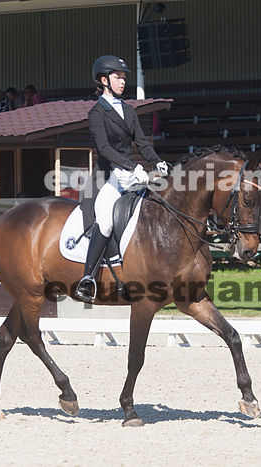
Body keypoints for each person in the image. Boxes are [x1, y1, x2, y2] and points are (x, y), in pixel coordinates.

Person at [75, 55, 168, 303]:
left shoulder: (128, 110)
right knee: (106, 222)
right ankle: (88, 278)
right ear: (104, 80)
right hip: (109, 177)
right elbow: (104, 149)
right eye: (118, 77)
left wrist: (156, 161)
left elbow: (142, 142)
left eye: (124, 77)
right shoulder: (96, 113)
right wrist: (132, 165)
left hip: (131, 174)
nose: (123, 81)